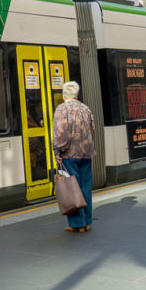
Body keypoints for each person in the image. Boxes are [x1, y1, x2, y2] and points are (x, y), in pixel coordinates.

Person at [52, 81, 96, 233]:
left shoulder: (61, 109)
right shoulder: (86, 108)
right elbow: (92, 130)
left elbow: (59, 134)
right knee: (85, 186)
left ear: (64, 94)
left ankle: (77, 223)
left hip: (69, 154)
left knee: (72, 187)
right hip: (86, 153)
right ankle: (87, 222)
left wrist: (58, 152)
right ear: (77, 94)